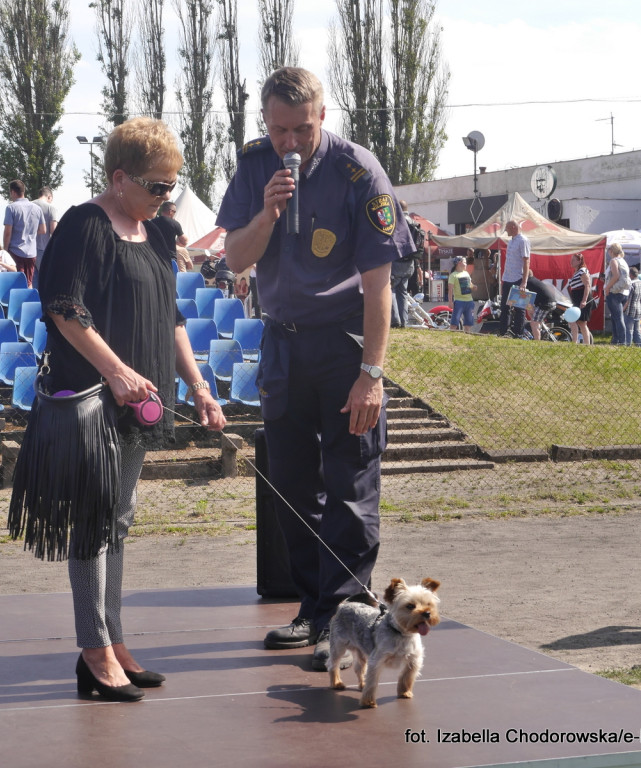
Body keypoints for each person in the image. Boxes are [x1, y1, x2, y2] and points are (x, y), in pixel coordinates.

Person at [216, 66, 413, 672]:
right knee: (294, 483)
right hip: (282, 343)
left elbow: (380, 285)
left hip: (343, 345)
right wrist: (267, 214)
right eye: (279, 130)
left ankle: (344, 616)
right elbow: (236, 259)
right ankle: (312, 607)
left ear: (323, 117)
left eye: (302, 129)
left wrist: (371, 374)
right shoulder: (254, 166)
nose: (290, 143)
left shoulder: (360, 171)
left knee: (351, 482)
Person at [24, 116, 225, 702]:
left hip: (144, 405)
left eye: (172, 186)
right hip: (92, 402)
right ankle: (94, 650)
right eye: (157, 186)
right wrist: (115, 372)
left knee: (117, 520)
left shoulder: (156, 235)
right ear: (119, 178)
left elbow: (172, 320)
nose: (167, 198)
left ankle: (112, 638)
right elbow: (65, 308)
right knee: (93, 522)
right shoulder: (86, 225)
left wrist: (200, 387)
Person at [3, 179, 47, 286]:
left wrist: (5, 249)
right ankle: (30, 301)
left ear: (13, 192)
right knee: (29, 282)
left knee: (17, 282)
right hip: (31, 251)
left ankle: (19, 302)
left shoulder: (11, 208)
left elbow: (8, 232)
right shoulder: (37, 208)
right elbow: (43, 230)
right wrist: (30, 231)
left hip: (15, 249)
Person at [390, 201, 421, 328]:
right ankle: (404, 321)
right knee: (402, 292)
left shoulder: (397, 222)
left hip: (397, 261)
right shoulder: (414, 222)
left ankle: (395, 320)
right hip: (410, 263)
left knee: (391, 289)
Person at [498, 220, 530, 338]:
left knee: (519, 307)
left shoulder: (523, 240)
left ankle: (518, 333)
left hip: (518, 278)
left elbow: (526, 261)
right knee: (504, 307)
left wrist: (524, 282)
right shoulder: (511, 241)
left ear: (513, 227)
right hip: (507, 278)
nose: (506, 231)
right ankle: (503, 332)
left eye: (507, 228)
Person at [525, 272, 566, 341]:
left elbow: (527, 297)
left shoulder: (528, 282)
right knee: (534, 317)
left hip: (545, 304)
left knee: (533, 323)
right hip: (548, 302)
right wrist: (530, 309)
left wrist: (529, 308)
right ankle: (540, 329)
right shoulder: (533, 280)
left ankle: (537, 341)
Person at [152, 201, 192, 272]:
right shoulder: (175, 223)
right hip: (169, 258)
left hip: (154, 257)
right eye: (174, 212)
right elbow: (184, 241)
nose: (174, 214)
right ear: (170, 211)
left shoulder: (152, 222)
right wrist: (176, 243)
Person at [604, 243, 631, 346]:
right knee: (616, 317)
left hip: (614, 292)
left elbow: (616, 276)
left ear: (611, 251)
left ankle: (622, 341)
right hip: (623, 292)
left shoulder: (613, 261)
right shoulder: (623, 261)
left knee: (618, 318)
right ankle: (615, 340)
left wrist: (607, 287)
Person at [567, 252, 594, 344]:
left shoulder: (582, 270)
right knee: (574, 321)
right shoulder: (577, 272)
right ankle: (575, 341)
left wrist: (584, 300)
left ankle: (586, 344)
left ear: (579, 261)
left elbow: (587, 285)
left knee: (582, 323)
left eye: (573, 260)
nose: (571, 262)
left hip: (582, 298)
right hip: (577, 299)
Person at [33, 186, 60, 272]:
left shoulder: (29, 205)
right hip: (42, 248)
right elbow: (53, 231)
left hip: (28, 249)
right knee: (44, 278)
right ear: (49, 197)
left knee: (31, 281)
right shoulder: (51, 208)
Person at [447, 255, 475, 332]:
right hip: (459, 301)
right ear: (459, 263)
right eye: (465, 262)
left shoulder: (466, 273)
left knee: (468, 323)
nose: (466, 264)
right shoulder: (453, 275)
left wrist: (473, 286)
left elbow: (470, 284)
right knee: (454, 322)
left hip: (469, 301)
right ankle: (450, 337)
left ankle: (467, 337)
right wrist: (450, 302)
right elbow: (450, 290)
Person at [625, 266, 641, 346]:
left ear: (630, 274)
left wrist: (623, 309)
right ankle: (639, 345)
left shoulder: (631, 284)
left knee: (629, 330)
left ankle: (627, 346)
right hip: (639, 310)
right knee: (637, 330)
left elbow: (627, 299)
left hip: (630, 310)